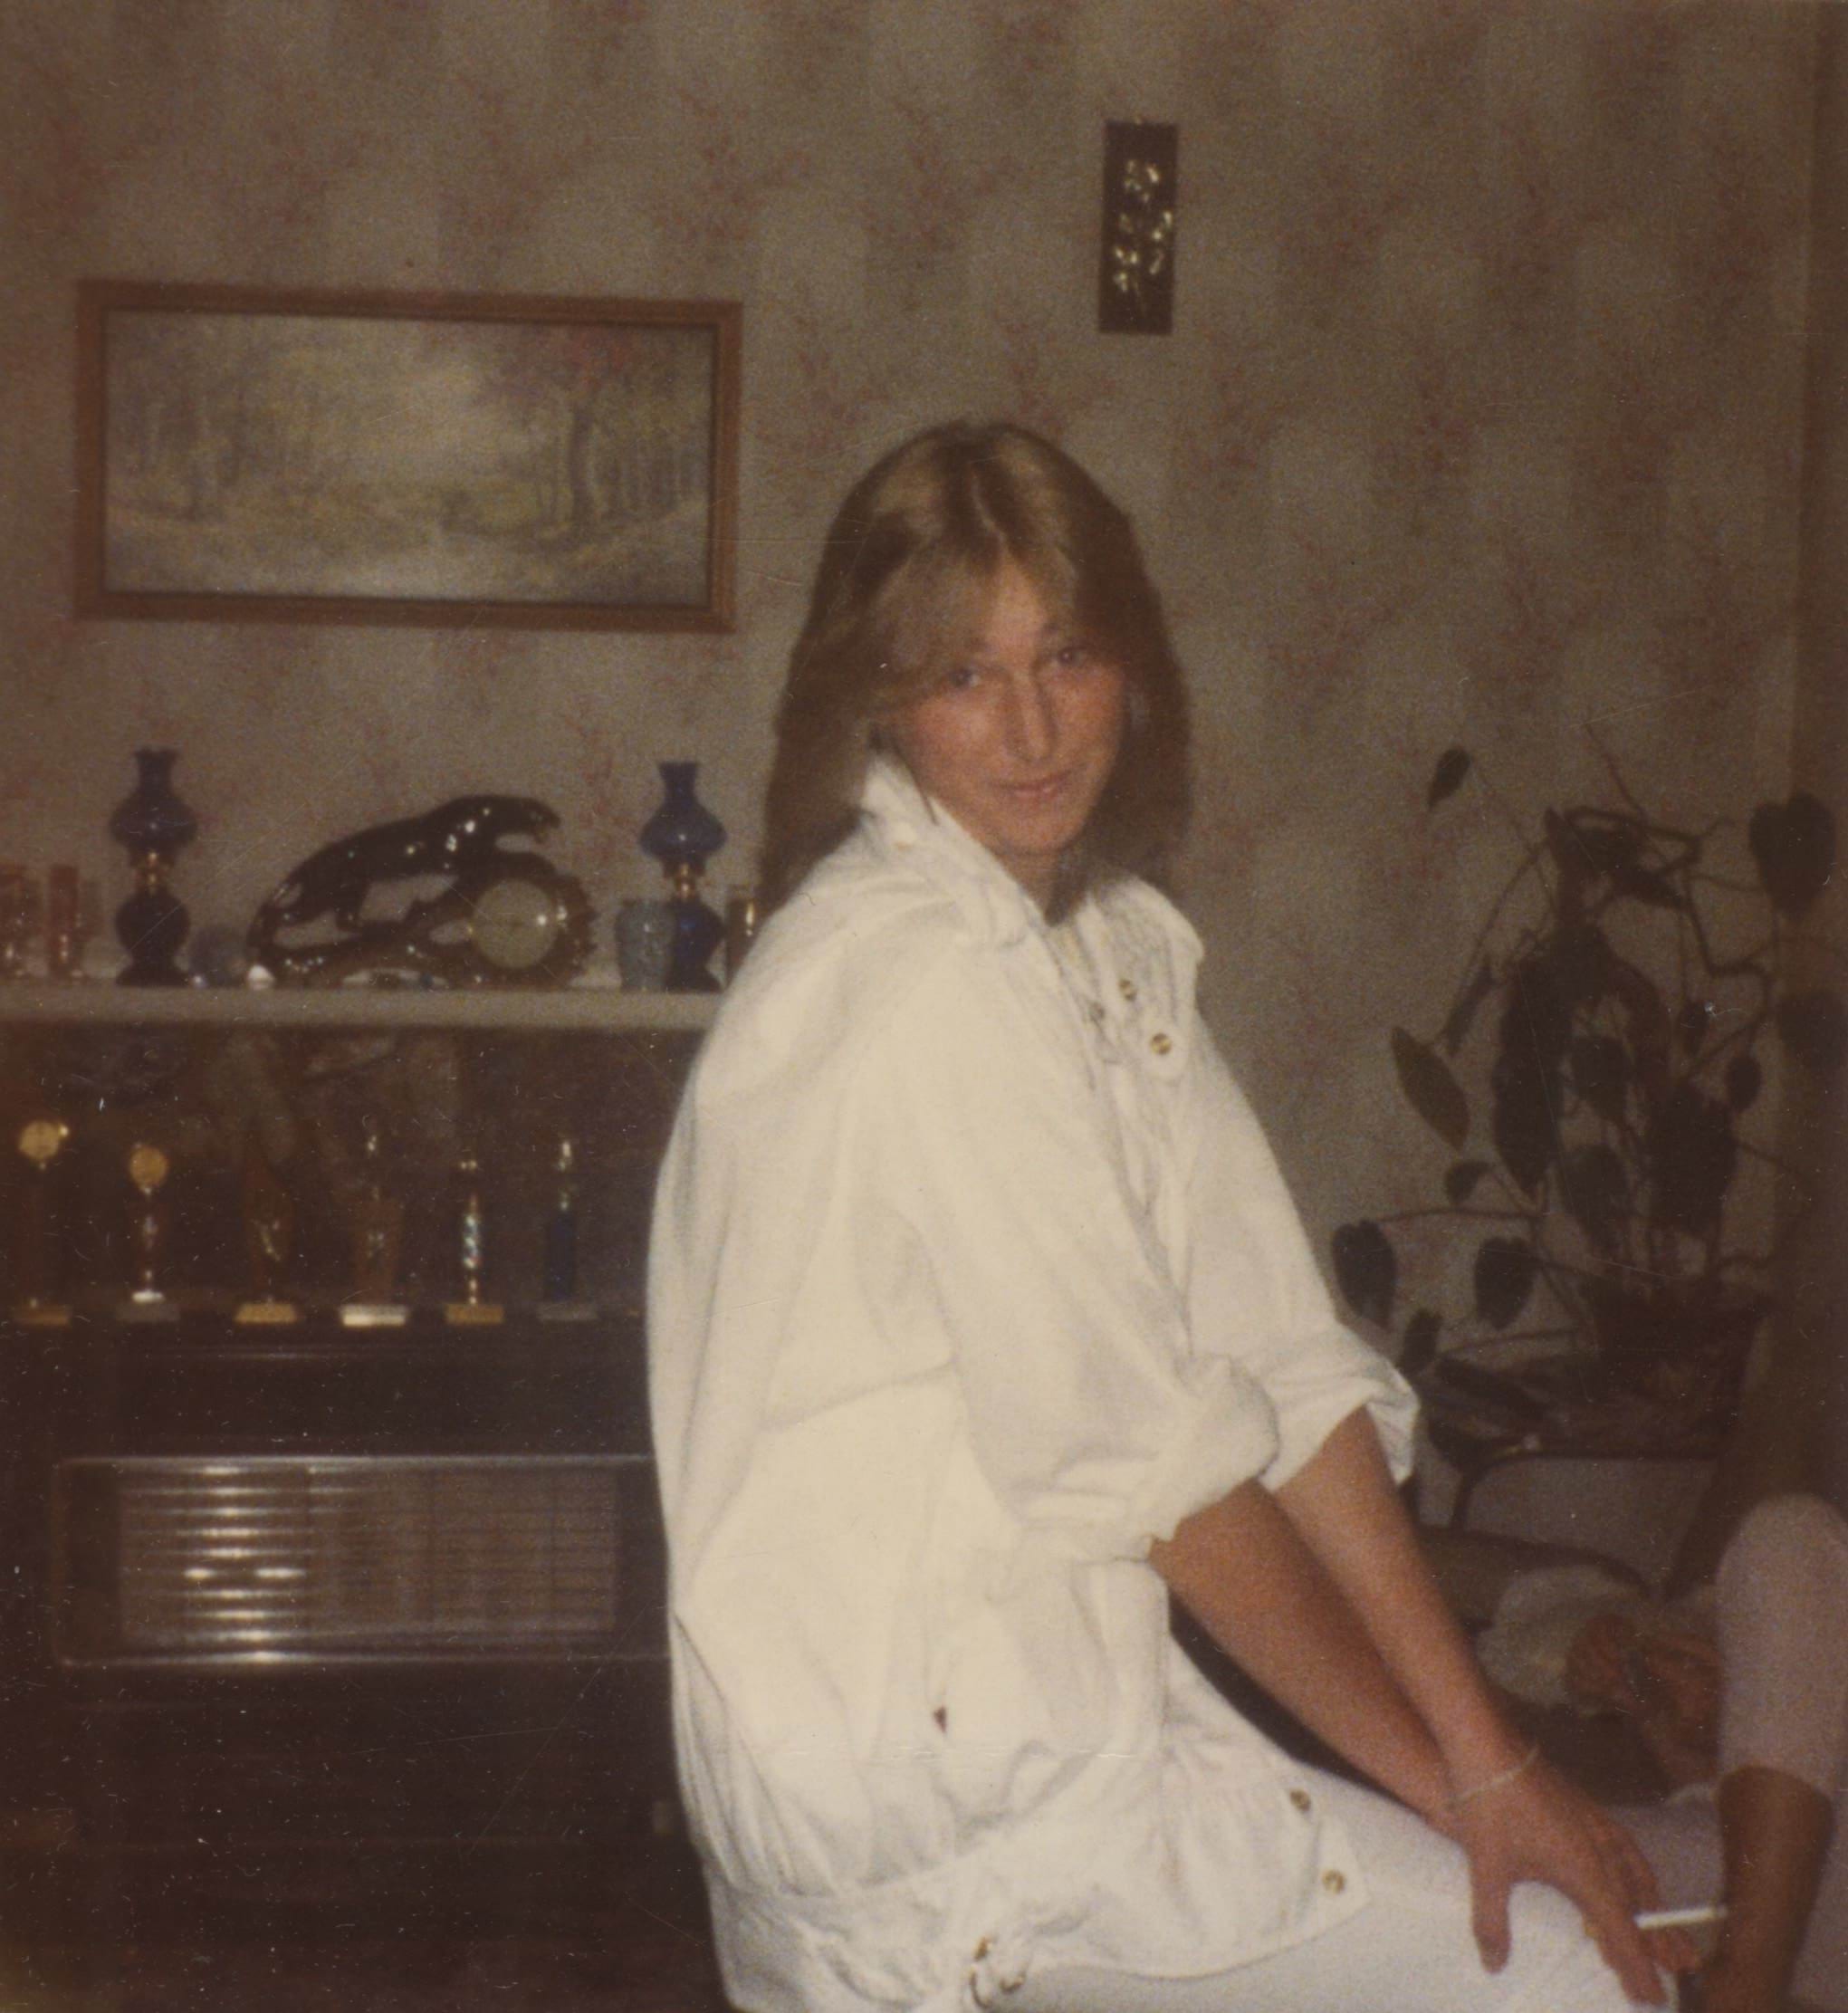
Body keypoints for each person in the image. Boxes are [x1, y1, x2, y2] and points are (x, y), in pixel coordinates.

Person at [646, 421, 1684, 2012]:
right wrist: (1477, 1787)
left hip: (1070, 1728)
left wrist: (1485, 1754)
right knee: (1564, 1984)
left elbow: (1279, 1357)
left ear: (1129, 659)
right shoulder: (917, 973)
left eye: (1065, 653)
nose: (1034, 724)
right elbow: (1173, 1485)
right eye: (964, 674)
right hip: (930, 1818)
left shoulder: (1104, 945)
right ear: (877, 697)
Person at [1480, 1491, 1848, 2011]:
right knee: (1490, 1874)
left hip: (1784, 1930)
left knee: (1793, 1530)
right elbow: (1749, 1837)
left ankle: (1744, 1985)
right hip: (1787, 1897)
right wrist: (1673, 1718)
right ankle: (1748, 1979)